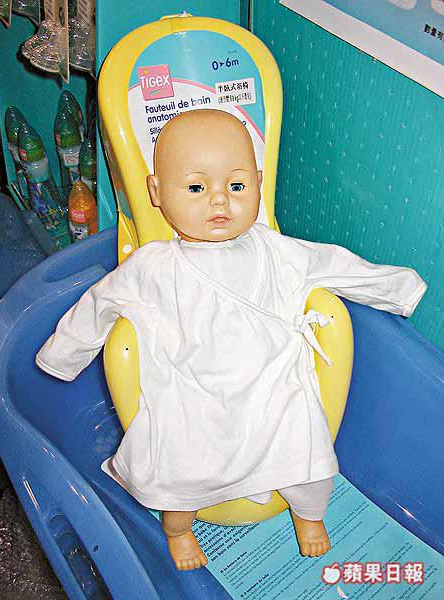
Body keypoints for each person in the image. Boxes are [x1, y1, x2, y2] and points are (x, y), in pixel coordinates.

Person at [36, 109, 427, 571]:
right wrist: (64, 355)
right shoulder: (153, 266)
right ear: (157, 193)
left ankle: (308, 516)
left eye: (237, 185)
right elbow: (98, 304)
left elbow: (339, 266)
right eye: (196, 188)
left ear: (258, 183)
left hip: (272, 392)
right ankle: (178, 530)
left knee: (309, 451)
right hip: (192, 398)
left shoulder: (276, 250)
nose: (219, 199)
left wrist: (398, 288)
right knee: (175, 469)